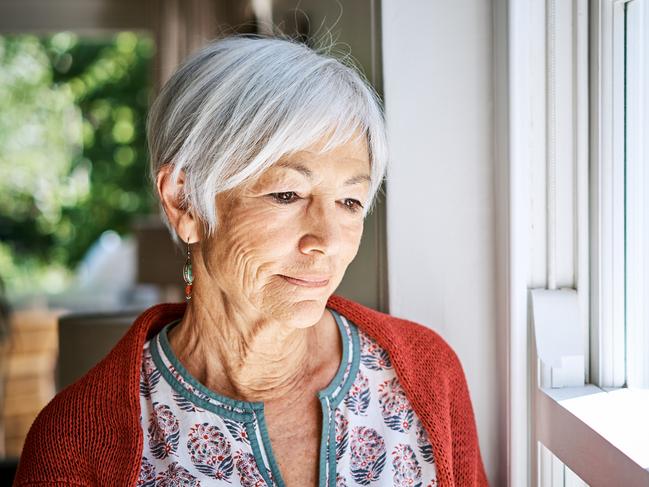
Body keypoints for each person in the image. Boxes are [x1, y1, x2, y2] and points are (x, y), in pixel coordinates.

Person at [14, 35, 488, 487]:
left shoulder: (426, 374)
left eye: (349, 201)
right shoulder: (73, 444)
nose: (326, 240)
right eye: (288, 193)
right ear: (184, 202)